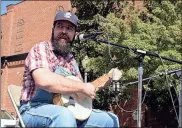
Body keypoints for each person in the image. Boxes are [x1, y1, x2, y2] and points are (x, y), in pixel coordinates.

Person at [19, 10, 119, 127]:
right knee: (64, 116)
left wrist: (99, 84)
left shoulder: (71, 60)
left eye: (69, 28)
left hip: (69, 109)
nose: (63, 31)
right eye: (59, 26)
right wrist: (83, 87)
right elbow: (43, 80)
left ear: (74, 34)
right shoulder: (41, 48)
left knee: (110, 119)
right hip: (34, 108)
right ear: (53, 29)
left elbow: (79, 95)